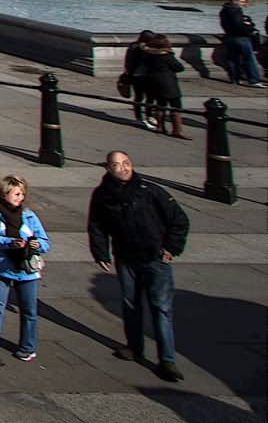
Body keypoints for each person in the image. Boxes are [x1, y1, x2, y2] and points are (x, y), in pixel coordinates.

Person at [87, 150, 190, 382]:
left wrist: (171, 248)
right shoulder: (103, 195)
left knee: (160, 309)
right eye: (116, 165)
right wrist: (100, 252)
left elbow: (179, 220)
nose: (123, 168)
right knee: (130, 304)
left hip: (155, 258)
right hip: (126, 258)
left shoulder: (150, 191)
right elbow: (97, 226)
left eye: (126, 163)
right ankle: (134, 347)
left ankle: (167, 360)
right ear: (108, 169)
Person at [0, 174, 50, 366]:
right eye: (16, 193)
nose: (20, 197)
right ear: (4, 193)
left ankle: (27, 347)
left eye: (22, 193)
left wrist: (36, 245)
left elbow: (44, 242)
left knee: (29, 310)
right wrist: (11, 243)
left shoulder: (29, 216)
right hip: (1, 267)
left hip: (27, 269)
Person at [133, 33, 190, 140]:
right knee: (176, 106)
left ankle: (160, 127)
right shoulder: (167, 56)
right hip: (168, 83)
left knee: (160, 105)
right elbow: (179, 68)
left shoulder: (148, 55)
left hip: (154, 82)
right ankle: (177, 130)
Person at [218, 0, 265, 86]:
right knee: (250, 58)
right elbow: (239, 24)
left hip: (229, 36)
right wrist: (249, 29)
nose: (242, 4)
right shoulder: (236, 10)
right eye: (241, 1)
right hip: (241, 37)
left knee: (232, 59)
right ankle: (254, 80)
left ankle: (235, 79)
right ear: (234, 1)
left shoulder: (224, 10)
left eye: (244, 2)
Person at [119, 30, 156, 129]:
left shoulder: (134, 46)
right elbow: (133, 62)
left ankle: (148, 116)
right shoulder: (137, 48)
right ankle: (141, 118)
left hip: (141, 75)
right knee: (141, 97)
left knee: (147, 96)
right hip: (138, 75)